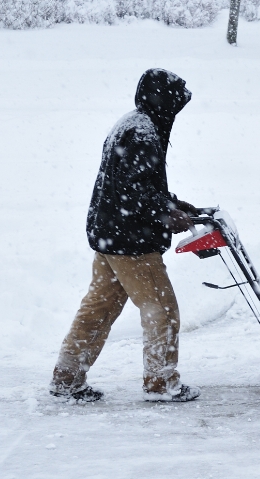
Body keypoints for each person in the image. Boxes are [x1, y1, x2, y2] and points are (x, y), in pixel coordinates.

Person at [50, 68, 200, 403]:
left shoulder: (133, 124)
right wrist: (166, 214)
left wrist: (174, 204)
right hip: (131, 243)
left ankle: (67, 377)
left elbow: (136, 185)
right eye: (175, 103)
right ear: (163, 101)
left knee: (98, 309)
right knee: (162, 309)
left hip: (110, 237)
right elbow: (134, 192)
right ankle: (162, 383)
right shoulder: (142, 133)